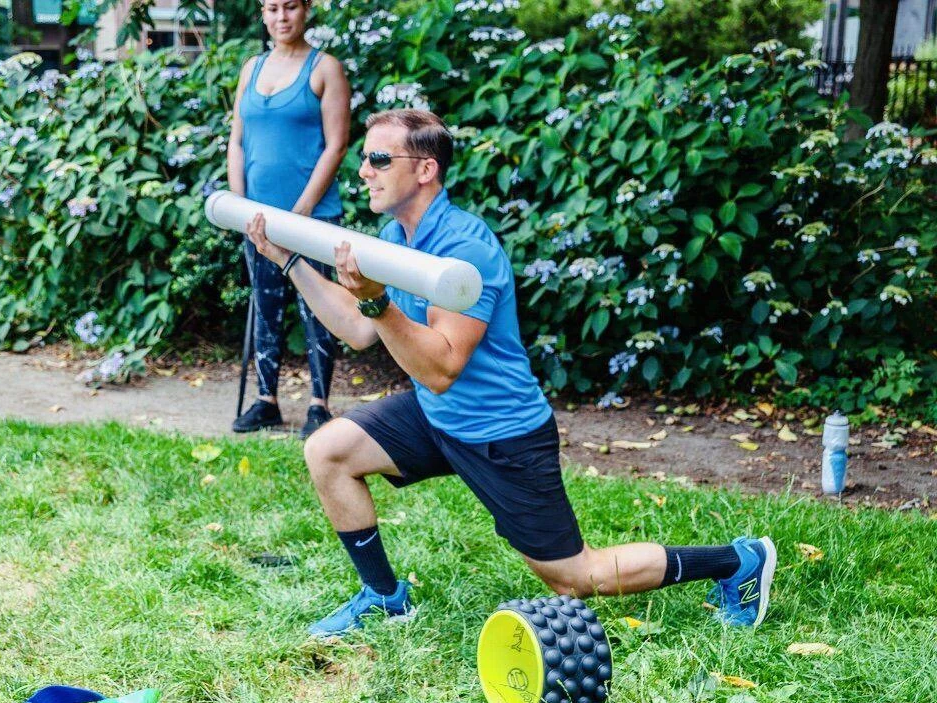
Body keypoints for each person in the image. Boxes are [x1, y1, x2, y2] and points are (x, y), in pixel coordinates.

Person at [246, 109, 777, 637]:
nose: (363, 170)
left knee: (574, 577)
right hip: (439, 416)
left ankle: (738, 561)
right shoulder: (396, 236)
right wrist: (289, 261)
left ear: (425, 169)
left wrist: (378, 303)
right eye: (364, 158)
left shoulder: (464, 249)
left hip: (501, 431)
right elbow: (359, 330)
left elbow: (442, 368)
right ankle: (384, 597)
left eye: (379, 159)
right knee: (329, 450)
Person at [227, 0, 349, 438]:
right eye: (273, 8)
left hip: (313, 218)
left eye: (291, 7)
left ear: (306, 10)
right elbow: (237, 141)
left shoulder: (325, 68)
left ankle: (319, 404)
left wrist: (301, 212)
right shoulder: (251, 69)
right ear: (263, 13)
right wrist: (240, 206)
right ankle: (267, 402)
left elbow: (336, 145)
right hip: (258, 219)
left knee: (318, 307)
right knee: (266, 306)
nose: (282, 17)